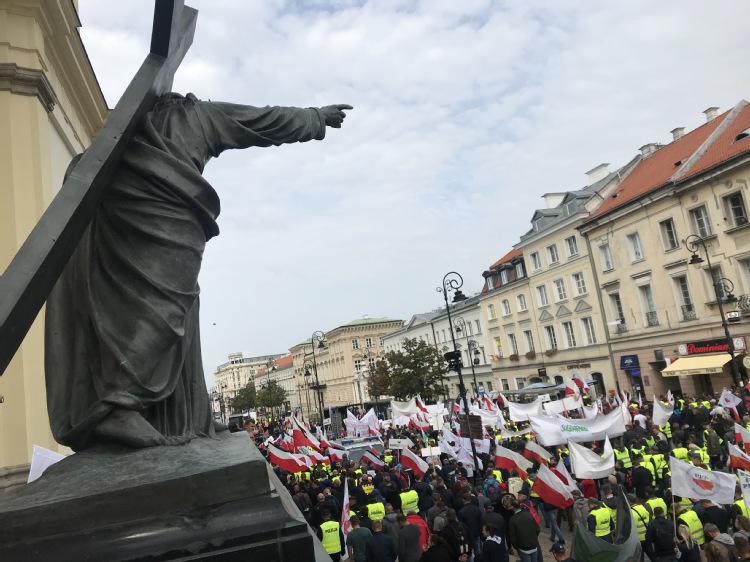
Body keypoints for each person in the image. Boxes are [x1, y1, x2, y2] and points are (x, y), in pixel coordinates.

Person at [45, 94, 351, 450]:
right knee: (165, 309)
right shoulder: (190, 114)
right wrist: (315, 118)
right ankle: (118, 403)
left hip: (164, 207)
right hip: (165, 212)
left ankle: (192, 415)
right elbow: (258, 121)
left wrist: (313, 119)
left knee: (184, 310)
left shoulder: (159, 121)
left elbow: (257, 120)